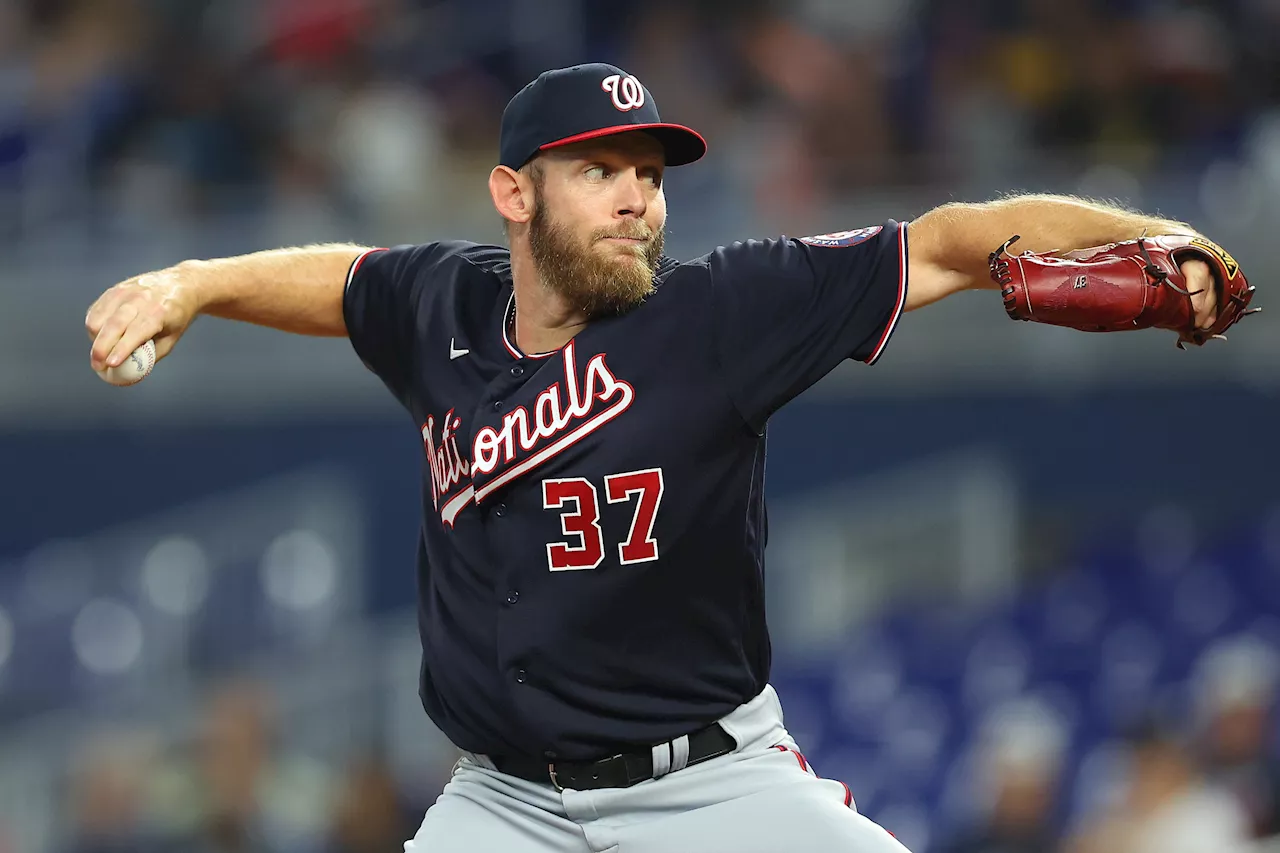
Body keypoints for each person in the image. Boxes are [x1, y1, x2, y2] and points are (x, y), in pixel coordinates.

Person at [85, 63, 1231, 852]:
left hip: (707, 786)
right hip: (503, 805)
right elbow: (339, 282)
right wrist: (196, 284)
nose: (637, 197)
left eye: (649, 172)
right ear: (514, 192)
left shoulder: (722, 313)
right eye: (600, 170)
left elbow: (943, 243)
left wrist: (1153, 239)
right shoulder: (440, 302)